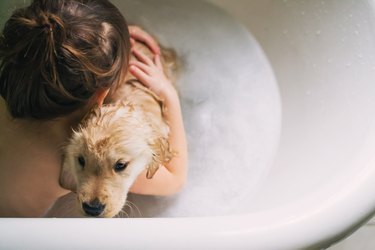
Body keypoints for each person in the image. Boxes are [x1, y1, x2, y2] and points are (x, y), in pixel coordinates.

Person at [0, 0, 187, 217]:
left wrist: (111, 41)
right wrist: (169, 95)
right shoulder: (79, 145)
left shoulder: (7, 97)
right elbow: (175, 178)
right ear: (101, 95)